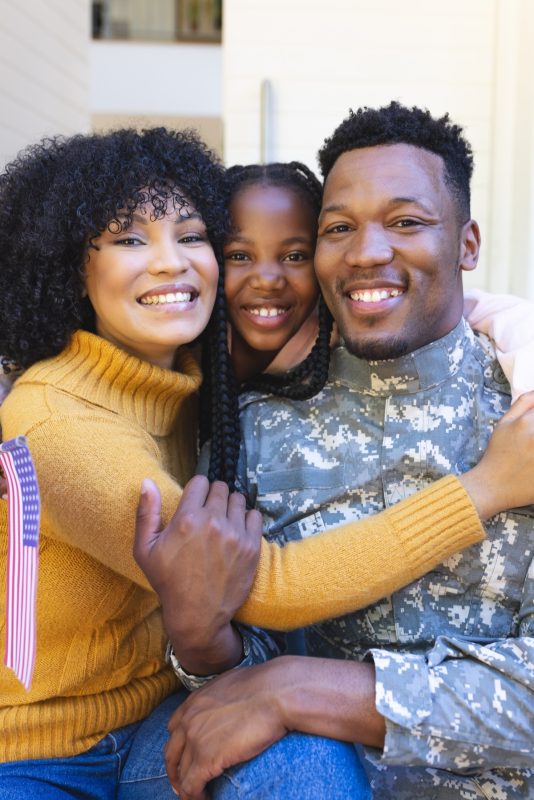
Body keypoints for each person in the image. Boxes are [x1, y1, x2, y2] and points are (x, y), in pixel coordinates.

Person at [0, 127, 503, 800]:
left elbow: (437, 305)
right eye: (128, 240)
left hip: (151, 725)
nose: (168, 263)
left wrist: (510, 330)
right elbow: (264, 585)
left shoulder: (186, 377)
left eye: (189, 236)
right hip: (37, 754)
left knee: (303, 764)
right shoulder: (58, 423)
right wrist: (484, 490)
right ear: (71, 266)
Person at [146, 104, 534, 799]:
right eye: (337, 229)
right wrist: (206, 646)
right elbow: (229, 687)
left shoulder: (521, 415)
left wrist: (307, 688)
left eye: (406, 222)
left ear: (468, 244)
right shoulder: (255, 431)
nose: (366, 252)